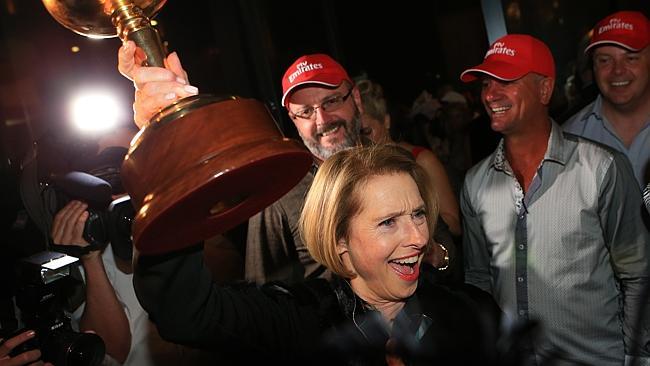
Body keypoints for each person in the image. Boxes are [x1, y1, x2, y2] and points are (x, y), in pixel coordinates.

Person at [133, 144, 500, 365]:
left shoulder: (473, 312)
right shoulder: (300, 322)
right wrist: (171, 152)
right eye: (388, 222)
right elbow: (186, 313)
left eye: (418, 215)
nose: (418, 237)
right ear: (340, 240)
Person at [117, 44, 449, 284]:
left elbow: (450, 251)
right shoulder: (279, 191)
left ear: (356, 99)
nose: (322, 119)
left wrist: (438, 256)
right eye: (305, 111)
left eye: (331, 101)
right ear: (292, 119)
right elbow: (266, 295)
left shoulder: (399, 168)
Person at [459, 34, 650, 365]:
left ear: (545, 89)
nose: (490, 94)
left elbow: (638, 274)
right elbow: (478, 282)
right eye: (486, 84)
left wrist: (637, 356)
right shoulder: (476, 183)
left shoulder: (600, 168)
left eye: (506, 80)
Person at [356, 79, 458, 280]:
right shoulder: (358, 174)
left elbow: (453, 224)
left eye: (367, 131)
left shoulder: (421, 161)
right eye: (357, 134)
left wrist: (413, 226)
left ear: (386, 121)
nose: (363, 141)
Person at [564, 11, 650, 188]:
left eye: (631, 58)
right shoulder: (570, 139)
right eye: (605, 60)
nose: (617, 70)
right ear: (593, 67)